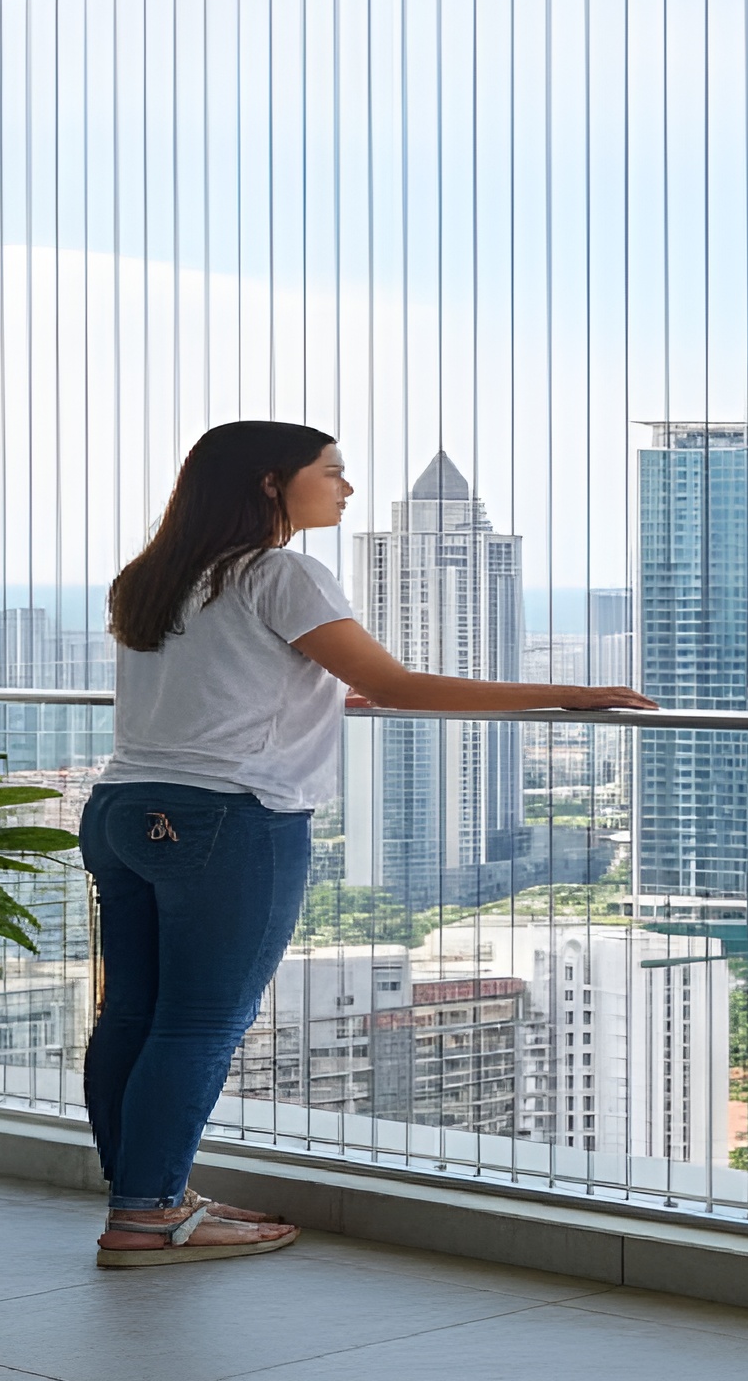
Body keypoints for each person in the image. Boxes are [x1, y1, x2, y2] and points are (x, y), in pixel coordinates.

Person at [80, 422, 651, 1265]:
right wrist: (572, 693)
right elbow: (391, 682)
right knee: (201, 1023)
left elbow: (219, 688)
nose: (345, 490)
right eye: (333, 473)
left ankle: (142, 1192)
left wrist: (312, 706)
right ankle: (148, 1212)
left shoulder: (153, 577)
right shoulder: (280, 571)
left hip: (123, 809)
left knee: (130, 1010)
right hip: (229, 818)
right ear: (272, 483)